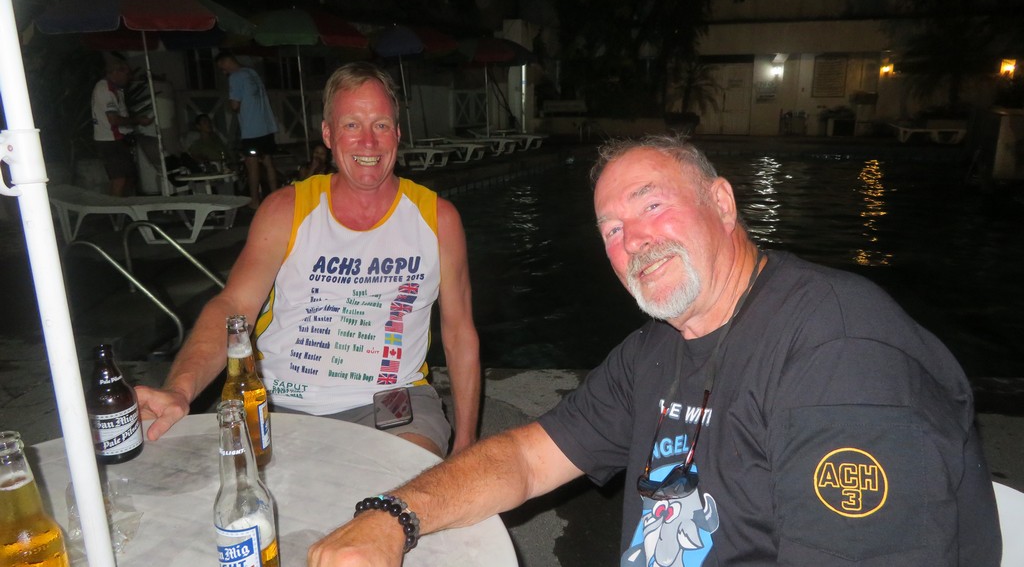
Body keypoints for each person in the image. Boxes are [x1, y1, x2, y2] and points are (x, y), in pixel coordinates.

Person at [307, 134, 1001, 566]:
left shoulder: (841, 357)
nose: (633, 239)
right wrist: (390, 516)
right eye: (611, 228)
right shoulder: (655, 351)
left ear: (723, 203)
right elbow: (522, 458)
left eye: (651, 205)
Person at [135, 62, 481, 459]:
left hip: (392, 401)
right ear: (328, 135)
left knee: (409, 486)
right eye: (352, 125)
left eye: (381, 125)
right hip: (281, 401)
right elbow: (233, 306)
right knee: (251, 490)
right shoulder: (286, 209)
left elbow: (459, 332)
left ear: (398, 134)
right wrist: (180, 389)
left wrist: (467, 443)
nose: (369, 142)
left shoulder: (437, 219)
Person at [215, 52, 279, 209]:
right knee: (268, 163)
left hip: (252, 129)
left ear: (226, 62)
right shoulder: (251, 72)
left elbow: (235, 105)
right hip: (267, 125)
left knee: (252, 165)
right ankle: (277, 198)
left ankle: (255, 201)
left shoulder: (235, 77)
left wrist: (231, 103)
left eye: (222, 68)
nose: (223, 72)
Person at [91, 55, 151, 196]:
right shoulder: (105, 89)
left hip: (117, 139)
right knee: (119, 179)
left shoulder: (116, 89)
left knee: (128, 177)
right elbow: (113, 119)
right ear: (115, 72)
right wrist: (137, 120)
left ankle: (121, 204)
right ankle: (115, 207)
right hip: (110, 139)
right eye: (126, 73)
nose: (128, 77)